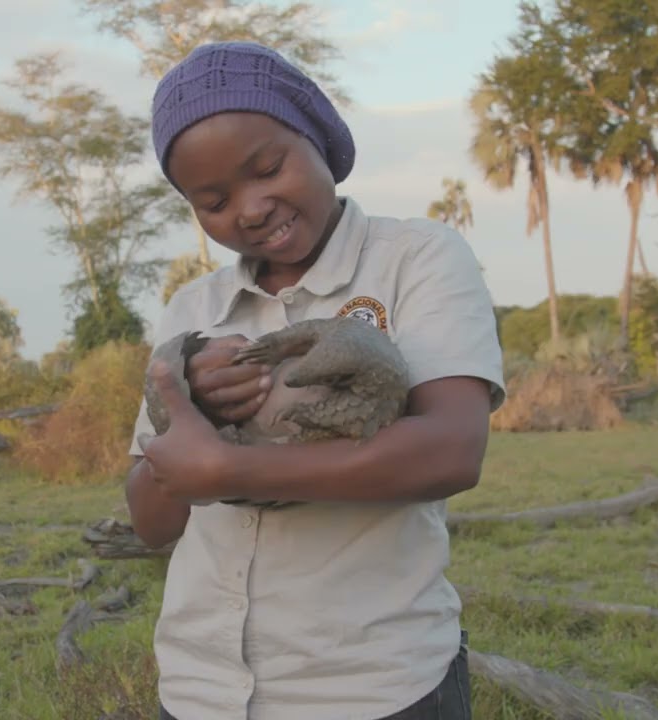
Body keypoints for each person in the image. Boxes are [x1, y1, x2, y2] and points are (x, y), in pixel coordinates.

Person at [126, 40, 506, 720]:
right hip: (200, 691)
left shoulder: (415, 259)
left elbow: (453, 450)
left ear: (319, 135)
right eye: (214, 201)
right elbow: (150, 521)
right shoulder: (194, 312)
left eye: (268, 168)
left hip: (377, 687)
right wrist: (188, 409)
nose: (250, 208)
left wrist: (232, 471)